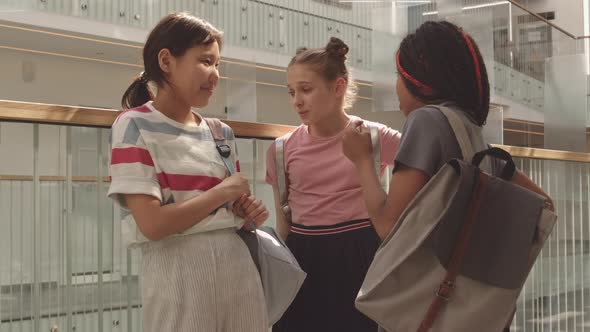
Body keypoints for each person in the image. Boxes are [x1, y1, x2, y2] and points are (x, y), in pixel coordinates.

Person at [342, 20, 553, 332]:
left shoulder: (425, 121)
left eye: (398, 76)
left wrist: (361, 159)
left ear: (419, 79)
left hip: (427, 306)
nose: (397, 86)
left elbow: (389, 226)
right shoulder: (473, 134)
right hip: (473, 309)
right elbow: (544, 203)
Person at [107, 13, 268, 332]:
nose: (215, 74)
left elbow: (233, 212)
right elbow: (153, 224)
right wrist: (222, 193)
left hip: (237, 267)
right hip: (177, 271)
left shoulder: (221, 132)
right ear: (166, 61)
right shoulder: (133, 124)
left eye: (218, 64)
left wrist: (246, 210)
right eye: (205, 61)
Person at [266, 37, 402, 332]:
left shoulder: (375, 136)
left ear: (338, 87)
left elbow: (424, 164)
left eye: (306, 89)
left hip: (363, 258)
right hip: (302, 261)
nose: (296, 101)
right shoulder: (280, 150)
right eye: (291, 92)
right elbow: (284, 225)